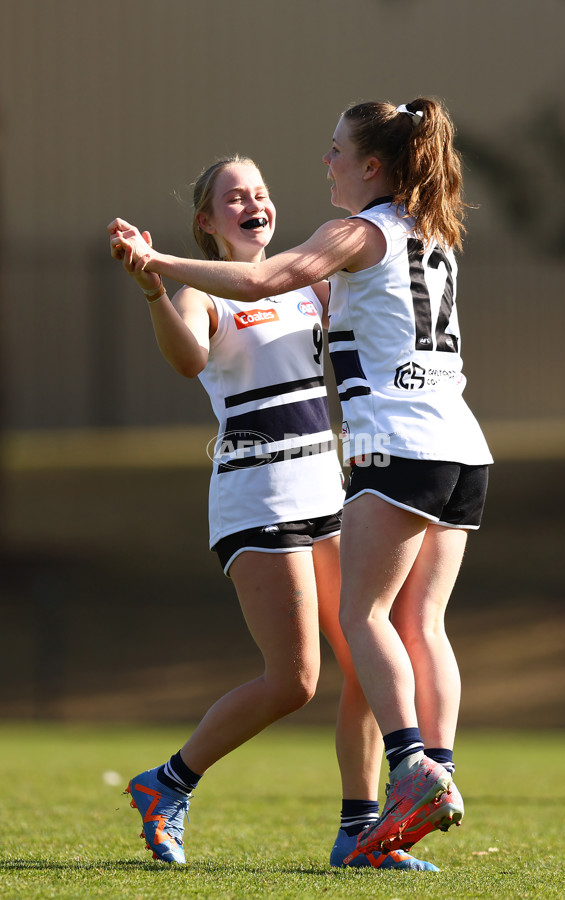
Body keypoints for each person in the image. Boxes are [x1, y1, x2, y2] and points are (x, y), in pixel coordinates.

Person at [111, 97, 492, 862]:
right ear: (208, 223)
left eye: (258, 190)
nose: (253, 201)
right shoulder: (208, 288)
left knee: (365, 655)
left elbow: (356, 304)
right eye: (233, 196)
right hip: (259, 491)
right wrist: (154, 284)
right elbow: (188, 357)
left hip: (337, 482)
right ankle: (170, 782)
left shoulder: (315, 277)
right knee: (295, 680)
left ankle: (362, 829)